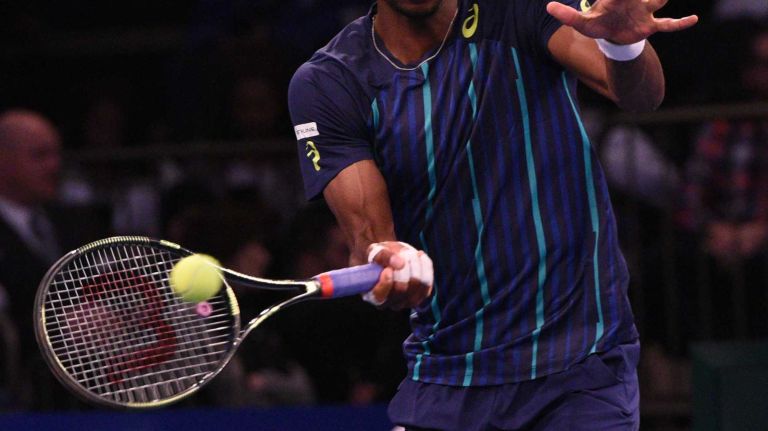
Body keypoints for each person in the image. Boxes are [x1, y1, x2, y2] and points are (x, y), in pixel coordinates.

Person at [288, 0, 697, 429]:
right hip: (447, 377)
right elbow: (371, 242)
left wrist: (623, 47)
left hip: (581, 369)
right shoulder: (330, 82)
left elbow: (639, 95)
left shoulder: (521, 8)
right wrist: (390, 271)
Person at [0, 109, 67, 409]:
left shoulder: (74, 221)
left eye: (56, 154)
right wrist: (60, 326)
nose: (55, 166)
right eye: (40, 156)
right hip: (24, 394)